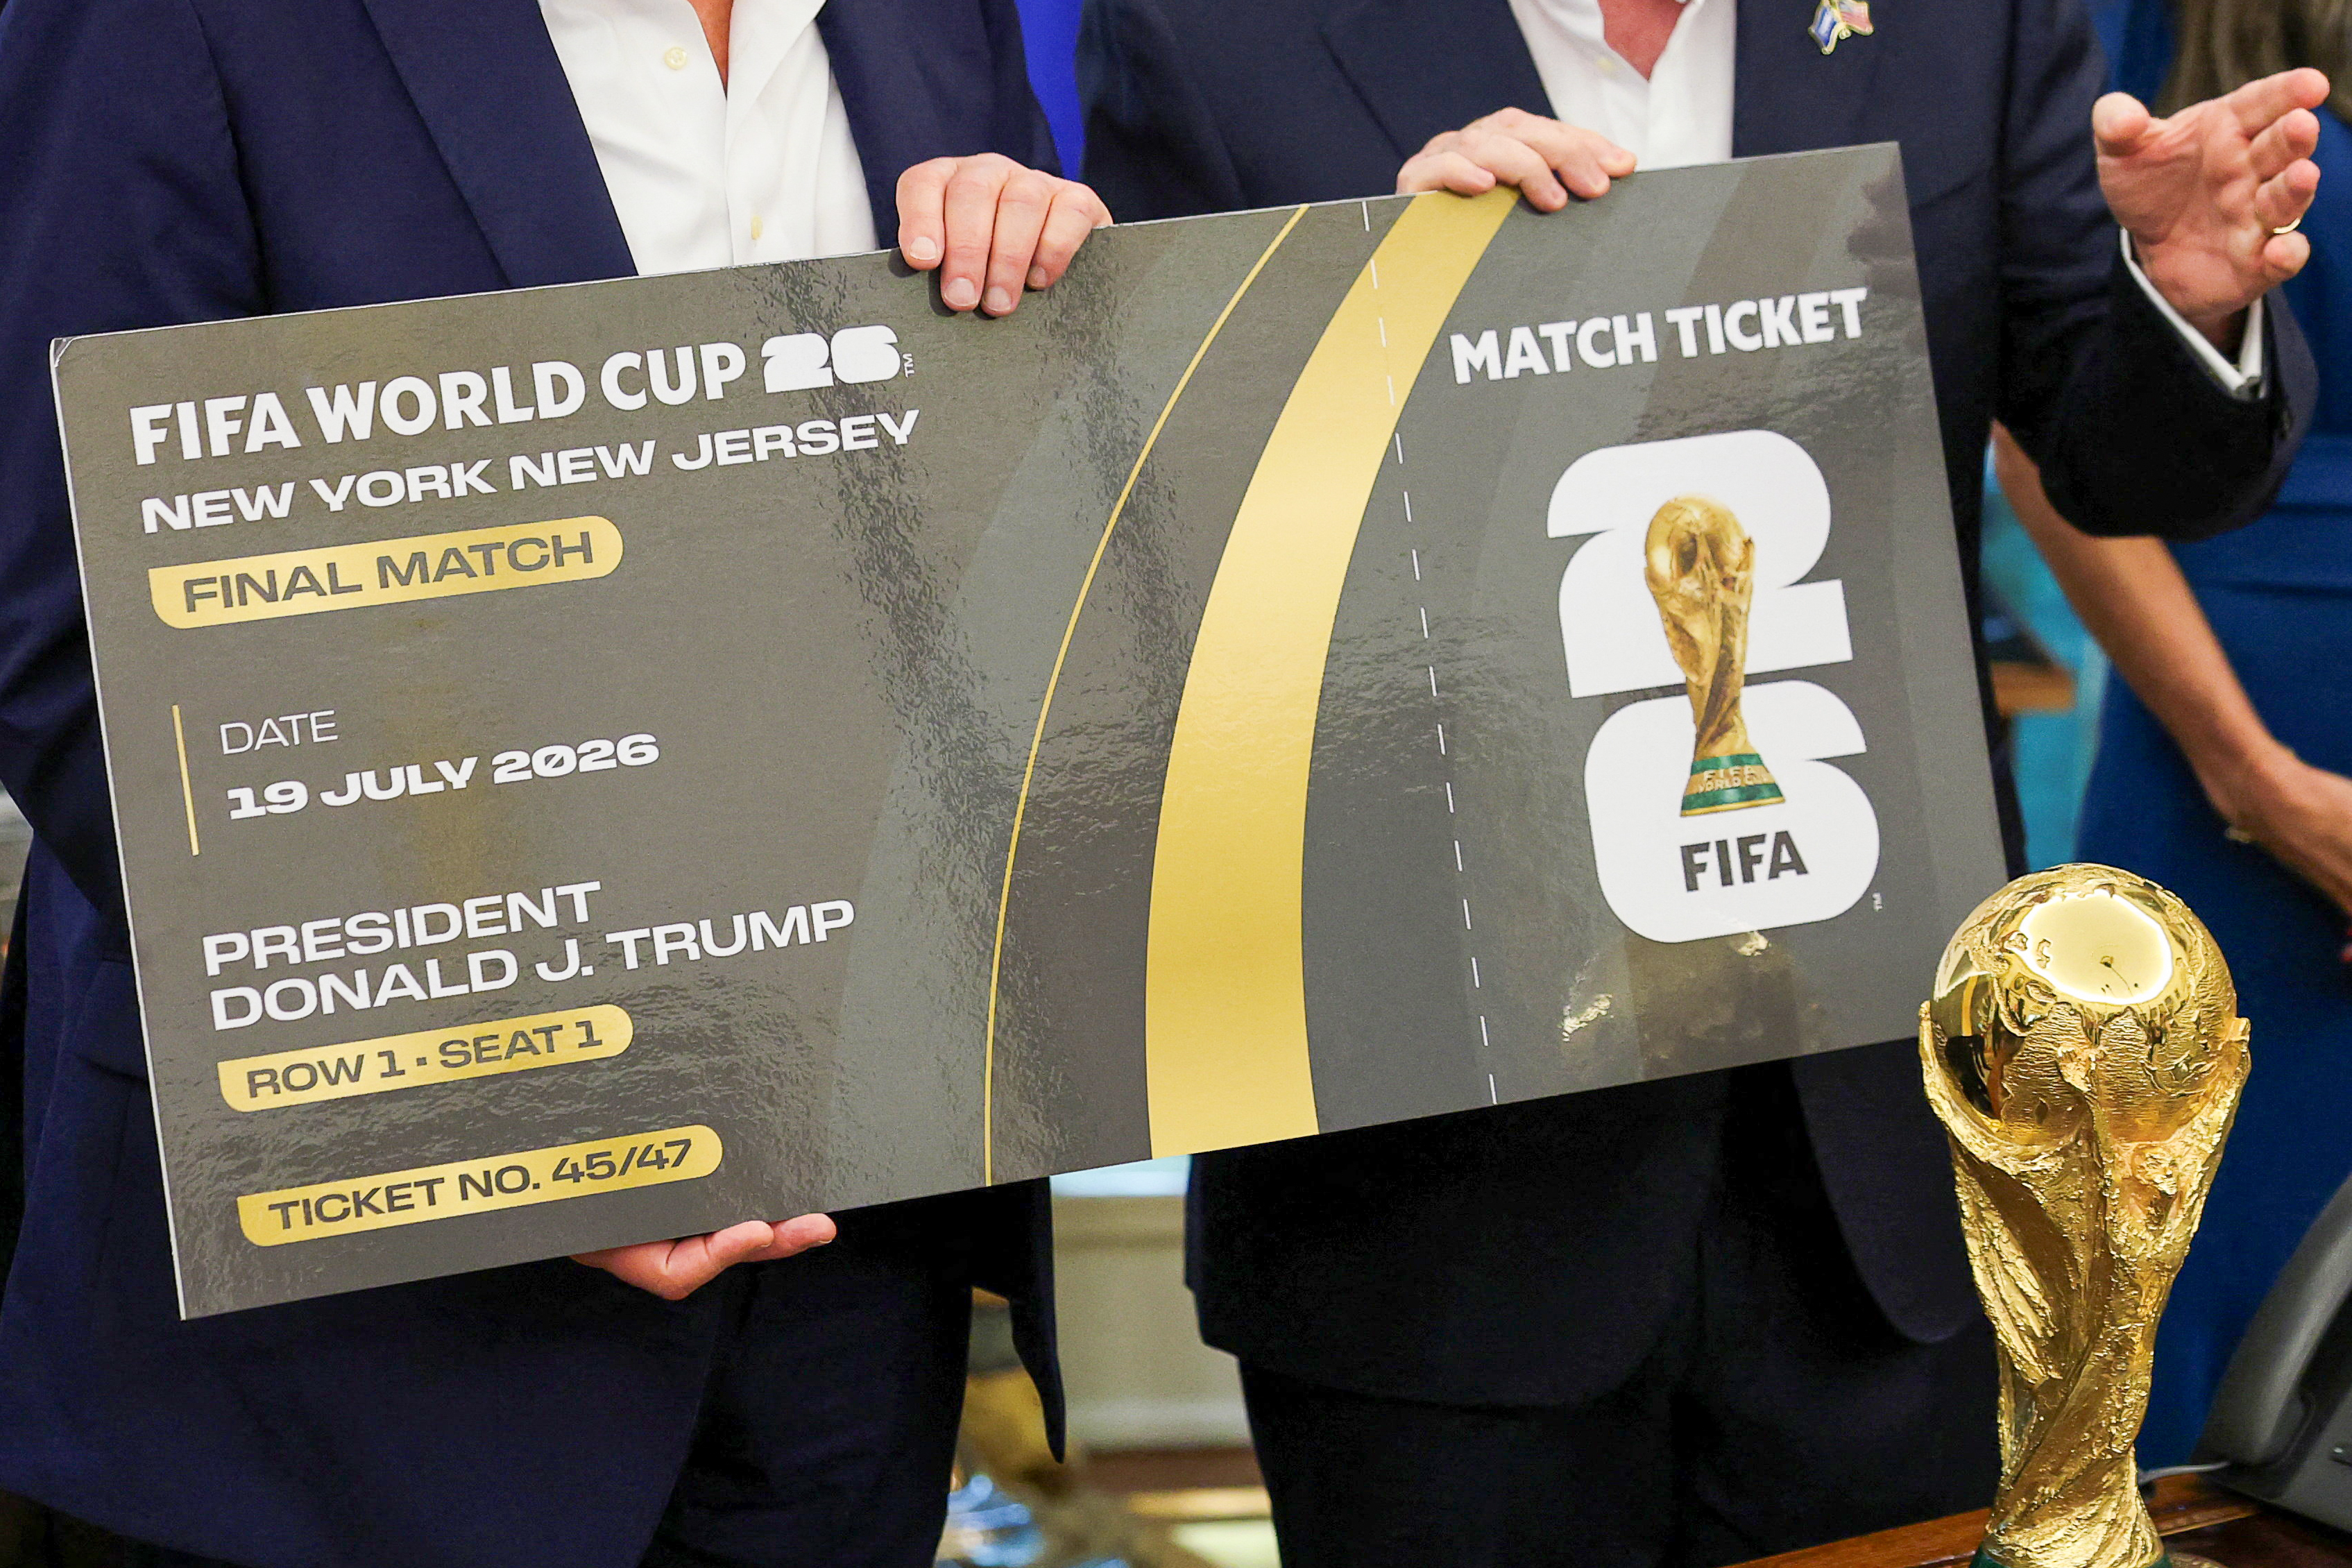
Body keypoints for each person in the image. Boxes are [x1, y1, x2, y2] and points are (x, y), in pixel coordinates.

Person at [1078, 1, 2321, 1562]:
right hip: (1438, 1194)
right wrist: (1357, 335)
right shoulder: (1211, 34)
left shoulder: (1970, 22)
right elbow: (1139, 579)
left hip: (1881, 1168)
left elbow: (2125, 459)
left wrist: (2184, 303)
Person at [0, 1, 1108, 1565]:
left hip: (847, 1296)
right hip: (349, 1335)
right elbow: (71, 622)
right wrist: (500, 1093)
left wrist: (1080, 327)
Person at [1994, 0, 2352, 1467]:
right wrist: (2259, 782)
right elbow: (2042, 451)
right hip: (2223, 788)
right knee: (2183, 1347)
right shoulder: (2127, 27)